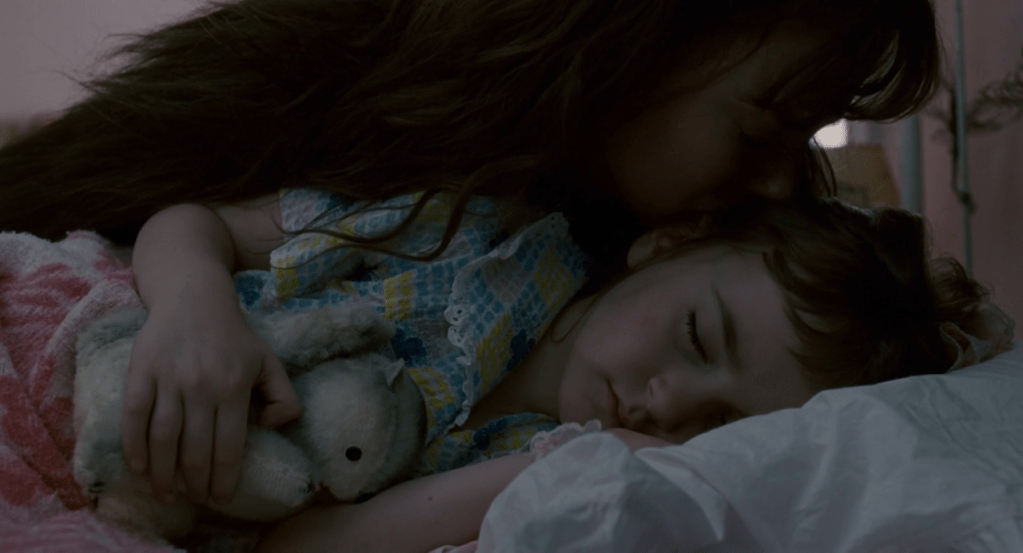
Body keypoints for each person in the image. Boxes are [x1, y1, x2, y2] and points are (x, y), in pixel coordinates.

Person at [0, 0, 942, 528]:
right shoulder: (474, 227)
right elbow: (180, 221)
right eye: (767, 124)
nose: (780, 183)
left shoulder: (556, 450)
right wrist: (193, 306)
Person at [246, 194, 1003, 552]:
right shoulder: (475, 235)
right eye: (698, 337)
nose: (669, 405)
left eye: (722, 422)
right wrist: (196, 308)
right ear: (665, 244)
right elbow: (209, 223)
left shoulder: (559, 490)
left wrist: (567, 462)